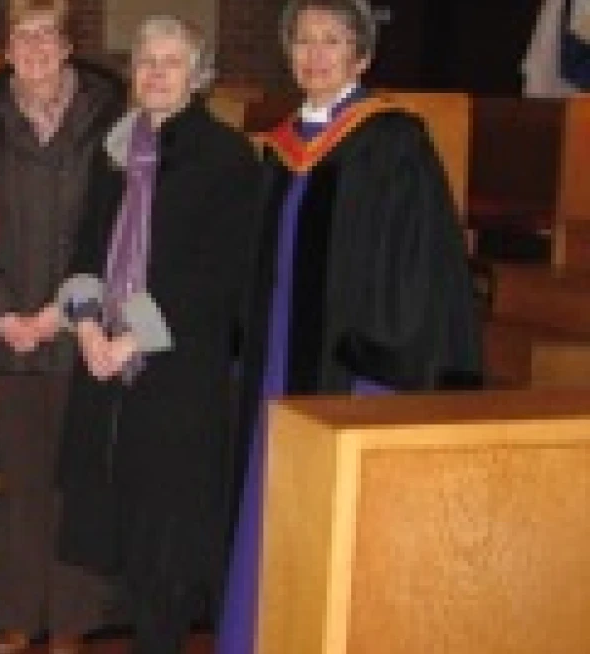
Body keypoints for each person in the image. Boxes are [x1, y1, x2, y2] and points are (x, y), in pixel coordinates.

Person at [216, 2, 485, 652]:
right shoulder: (280, 148)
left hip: (354, 367)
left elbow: (421, 264)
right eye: (302, 41)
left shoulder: (393, 140)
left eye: (330, 41)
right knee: (273, 499)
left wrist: (380, 356)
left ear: (361, 54)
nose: (313, 54)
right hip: (278, 361)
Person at [54, 16, 262, 654]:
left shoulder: (225, 156)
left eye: (172, 62)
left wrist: (131, 338)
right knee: (121, 530)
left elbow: (215, 275)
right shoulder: (114, 151)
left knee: (167, 546)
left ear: (197, 76)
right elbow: (84, 246)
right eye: (147, 61)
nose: (157, 73)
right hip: (107, 373)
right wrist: (86, 322)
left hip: (176, 375)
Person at [0, 1, 124, 651]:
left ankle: (70, 623)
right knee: (21, 483)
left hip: (85, 329)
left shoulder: (113, 124)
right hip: (8, 330)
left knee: (76, 481)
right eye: (21, 36)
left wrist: (65, 312)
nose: (33, 47)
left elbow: (123, 230)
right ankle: (16, 616)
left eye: (46, 35)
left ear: (66, 46)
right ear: (5, 50)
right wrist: (1, 310)